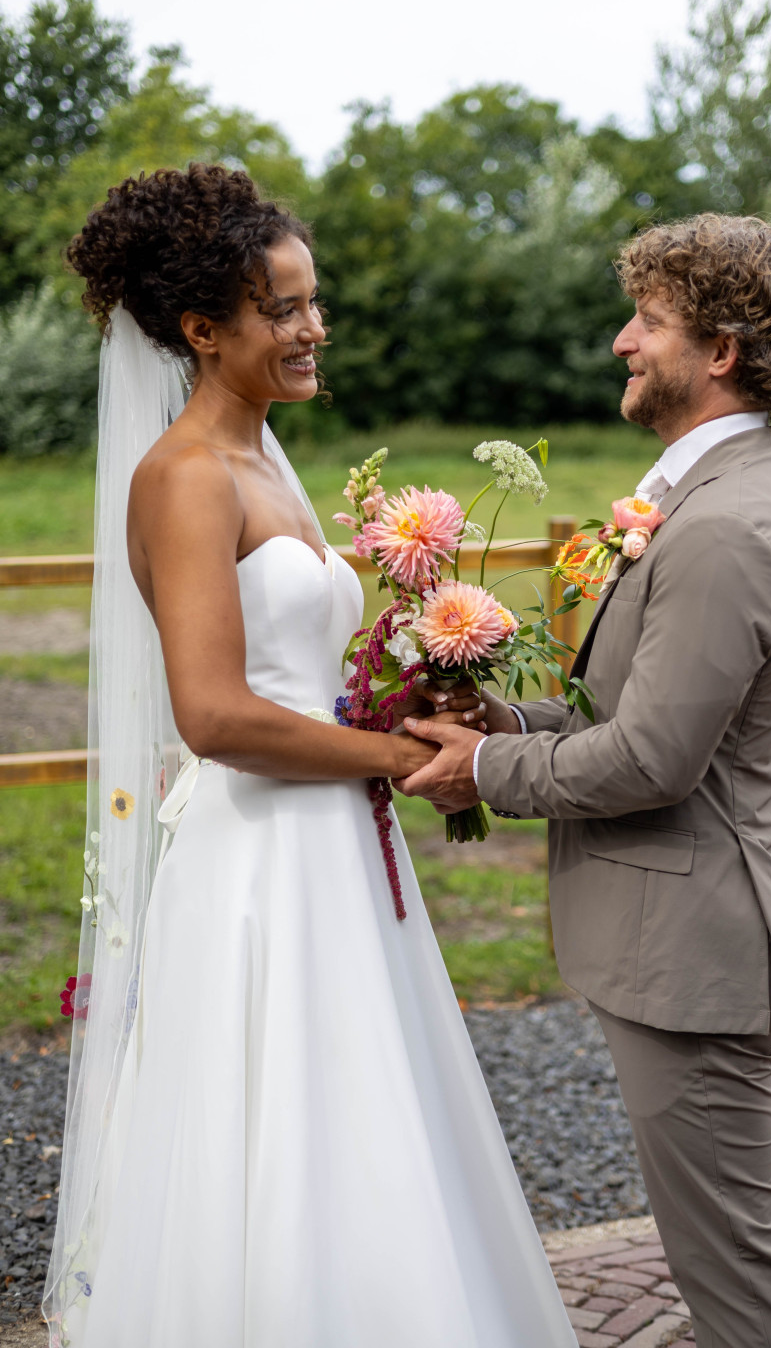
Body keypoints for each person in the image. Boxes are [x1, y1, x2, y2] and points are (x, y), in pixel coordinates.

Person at [43, 163, 577, 1348]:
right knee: (278, 1133)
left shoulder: (267, 464)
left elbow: (297, 670)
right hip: (259, 861)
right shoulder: (186, 477)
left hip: (334, 842)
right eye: (281, 309)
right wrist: (389, 754)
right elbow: (215, 716)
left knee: (367, 1121)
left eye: (312, 301)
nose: (313, 327)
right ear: (202, 331)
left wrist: (418, 689)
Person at [398, 213, 771, 1348]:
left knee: (732, 1274)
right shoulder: (692, 497)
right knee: (716, 1256)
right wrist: (505, 719)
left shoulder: (726, 524)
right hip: (670, 938)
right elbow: (625, 713)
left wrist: (483, 768)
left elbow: (651, 760)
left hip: (695, 948)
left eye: (648, 321)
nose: (621, 343)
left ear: (721, 351)